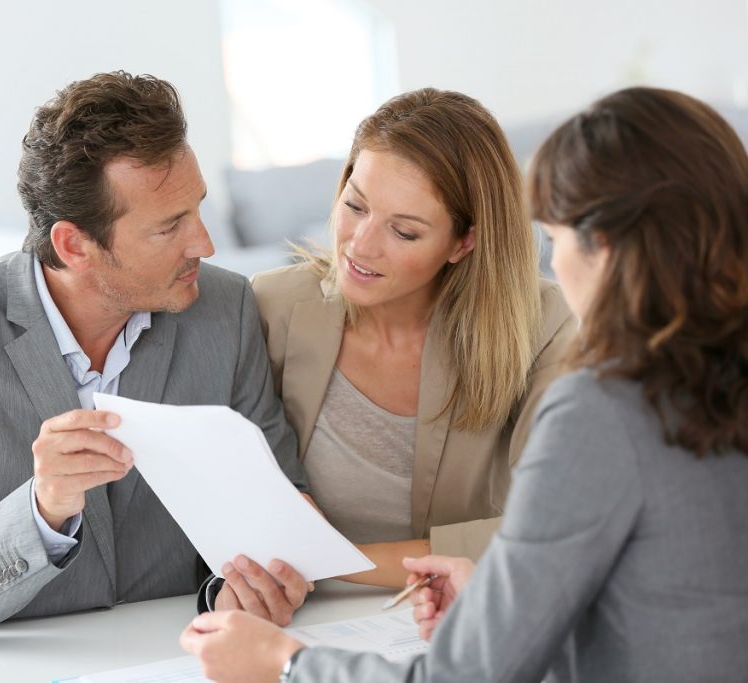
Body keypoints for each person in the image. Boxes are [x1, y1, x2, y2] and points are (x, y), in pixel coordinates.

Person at [180, 86, 748, 682]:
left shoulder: (603, 407)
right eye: (355, 205)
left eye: (555, 239)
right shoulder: (699, 386)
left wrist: (286, 664)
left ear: (602, 248)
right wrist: (503, 599)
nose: (364, 244)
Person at [0, 71, 313, 646]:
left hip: (190, 657)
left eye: (197, 209)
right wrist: (43, 508)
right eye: (169, 226)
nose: (204, 244)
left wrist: (242, 588)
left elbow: (276, 512)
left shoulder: (225, 309)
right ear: (74, 245)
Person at [249, 88, 575, 588]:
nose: (360, 245)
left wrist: (329, 562)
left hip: (462, 620)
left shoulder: (543, 325)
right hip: (303, 621)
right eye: (355, 206)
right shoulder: (272, 307)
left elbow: (558, 529)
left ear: (464, 242)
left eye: (404, 232)